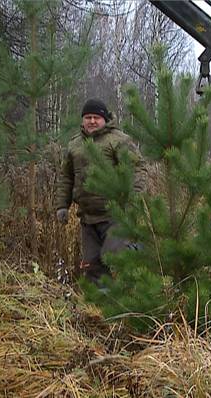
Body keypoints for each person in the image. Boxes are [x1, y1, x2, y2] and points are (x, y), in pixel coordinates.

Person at [54, 98, 145, 283]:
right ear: (83, 120)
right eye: (88, 117)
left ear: (105, 119)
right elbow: (66, 177)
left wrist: (133, 200)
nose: (92, 121)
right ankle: (102, 305)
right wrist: (62, 205)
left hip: (115, 214)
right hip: (88, 217)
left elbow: (137, 170)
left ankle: (133, 295)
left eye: (96, 117)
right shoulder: (74, 145)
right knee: (92, 265)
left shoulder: (118, 140)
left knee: (114, 257)